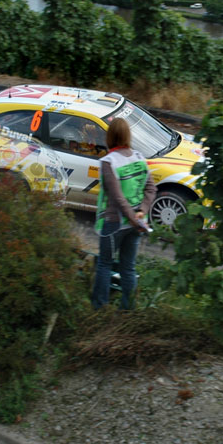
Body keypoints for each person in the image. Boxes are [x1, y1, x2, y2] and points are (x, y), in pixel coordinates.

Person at [91, 118, 156, 311]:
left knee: (105, 264)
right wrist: (141, 212)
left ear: (110, 136)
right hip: (136, 225)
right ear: (128, 135)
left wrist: (131, 216)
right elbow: (151, 188)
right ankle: (127, 309)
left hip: (115, 223)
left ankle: (99, 307)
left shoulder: (109, 162)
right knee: (129, 268)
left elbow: (117, 197)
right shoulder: (138, 157)